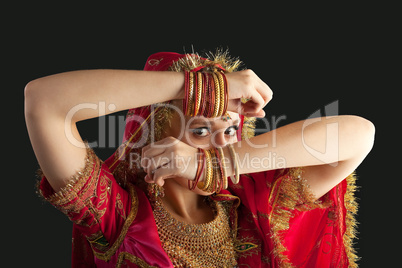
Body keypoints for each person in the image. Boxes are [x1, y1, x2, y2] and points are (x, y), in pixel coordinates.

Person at [25, 50, 374, 267]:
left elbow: (360, 133)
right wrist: (194, 87)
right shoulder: (116, 215)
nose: (220, 144)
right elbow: (43, 102)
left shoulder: (246, 207)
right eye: (201, 131)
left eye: (230, 130)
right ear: (155, 138)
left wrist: (218, 164)